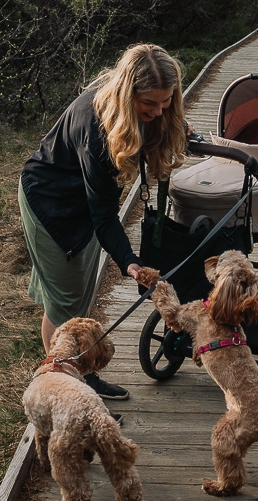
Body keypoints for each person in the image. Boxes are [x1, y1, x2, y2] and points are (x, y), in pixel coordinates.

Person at [19, 43, 188, 403]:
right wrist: (129, 261)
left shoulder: (130, 109)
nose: (159, 111)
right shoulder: (97, 130)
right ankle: (66, 395)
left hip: (82, 200)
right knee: (67, 308)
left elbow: (101, 206)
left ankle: (76, 380)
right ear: (128, 94)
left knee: (72, 300)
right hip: (52, 205)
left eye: (166, 102)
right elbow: (104, 216)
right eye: (149, 103)